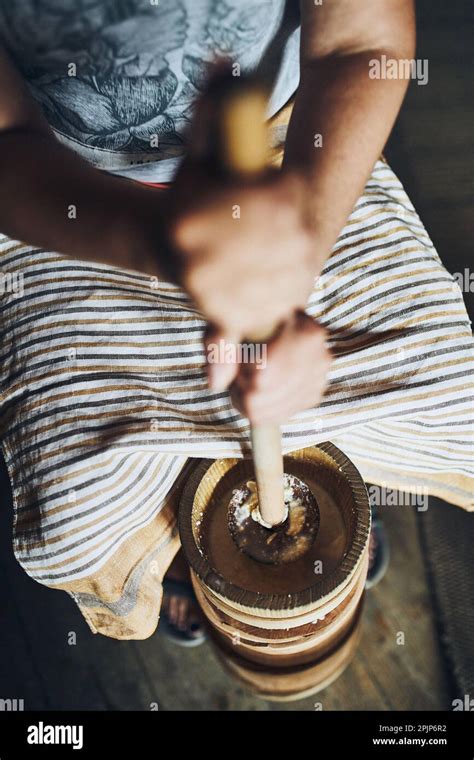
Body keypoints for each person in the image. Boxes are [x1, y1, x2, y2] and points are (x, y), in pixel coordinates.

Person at [0, 1, 471, 644]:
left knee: (457, 405)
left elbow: (359, 43)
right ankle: (175, 562)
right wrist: (166, 247)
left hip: (294, 149)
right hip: (67, 189)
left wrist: (298, 248)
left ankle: (337, 475)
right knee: (72, 530)